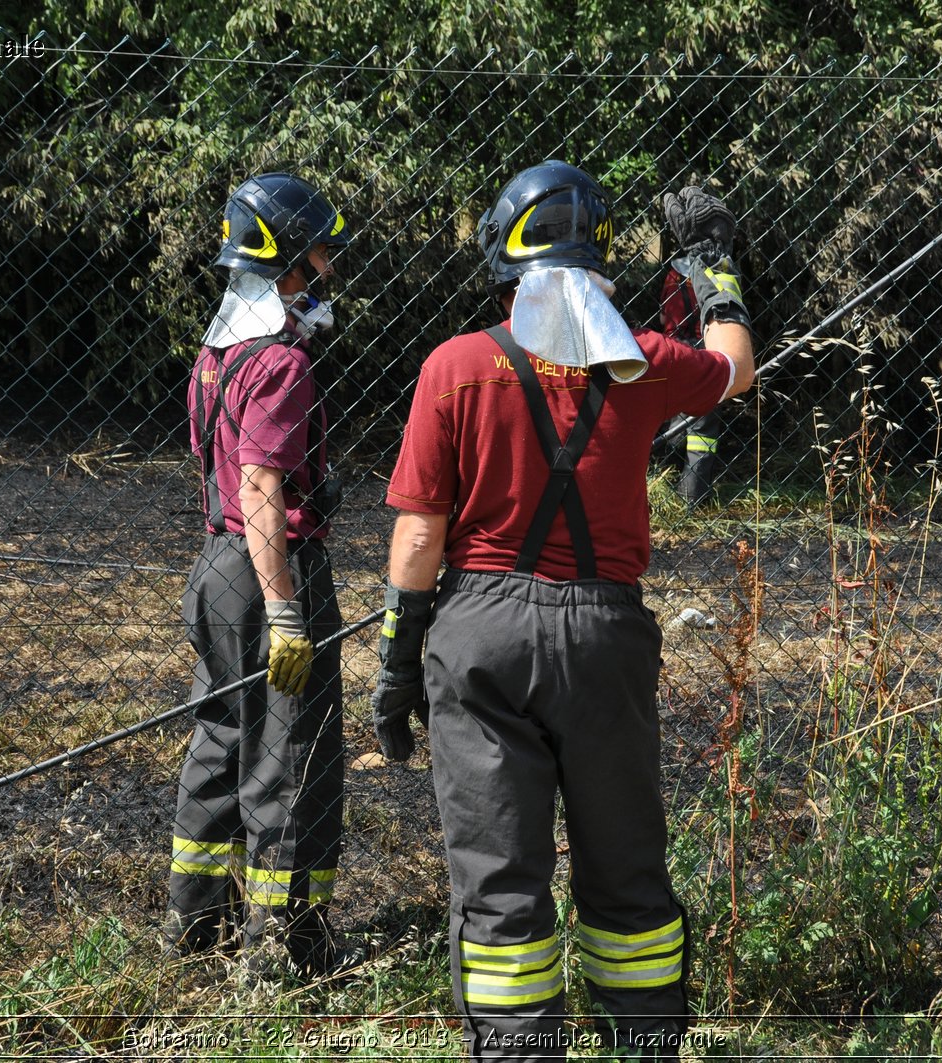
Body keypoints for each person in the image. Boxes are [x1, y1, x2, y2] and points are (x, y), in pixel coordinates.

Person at [369, 161, 755, 1059]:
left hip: (481, 640)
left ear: (505, 259)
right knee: (625, 869)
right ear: (601, 259)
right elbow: (736, 369)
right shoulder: (648, 362)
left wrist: (396, 662)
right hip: (606, 637)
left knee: (502, 879)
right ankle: (649, 1043)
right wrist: (714, 271)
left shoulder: (455, 368)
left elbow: (419, 539)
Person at [165, 171, 349, 979]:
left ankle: (194, 923)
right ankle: (282, 950)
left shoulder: (217, 353)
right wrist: (285, 610)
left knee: (219, 740)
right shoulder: (282, 364)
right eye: (319, 253)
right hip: (270, 570)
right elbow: (261, 487)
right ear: (286, 263)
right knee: (290, 756)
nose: (330, 271)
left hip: (212, 569)